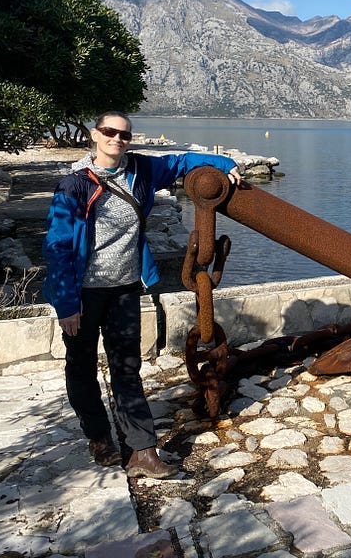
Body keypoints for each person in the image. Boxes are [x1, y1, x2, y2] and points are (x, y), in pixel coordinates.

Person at [43, 111, 242, 478]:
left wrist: (225, 163)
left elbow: (181, 162)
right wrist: (68, 304)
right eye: (110, 132)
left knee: (127, 368)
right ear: (95, 135)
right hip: (83, 294)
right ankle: (99, 434)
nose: (117, 139)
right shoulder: (73, 185)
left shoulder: (140, 171)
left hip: (124, 288)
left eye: (125, 135)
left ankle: (142, 450)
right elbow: (57, 248)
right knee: (82, 367)